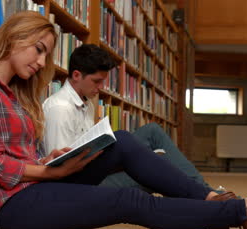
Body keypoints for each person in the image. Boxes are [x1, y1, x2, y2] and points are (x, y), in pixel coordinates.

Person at [0, 11, 247, 229]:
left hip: (35, 186)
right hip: (10, 207)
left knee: (120, 141)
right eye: (39, 49)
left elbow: (17, 154)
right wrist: (50, 174)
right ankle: (245, 211)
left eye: (46, 52)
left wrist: (52, 160)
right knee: (128, 200)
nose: (43, 60)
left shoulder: (15, 94)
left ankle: (211, 201)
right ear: (15, 39)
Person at [43, 44, 213, 192]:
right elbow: (62, 171)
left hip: (95, 172)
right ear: (76, 75)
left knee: (152, 133)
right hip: (80, 186)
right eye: (96, 81)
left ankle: (207, 195)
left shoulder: (87, 104)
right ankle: (209, 198)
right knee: (157, 170)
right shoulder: (60, 109)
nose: (101, 88)